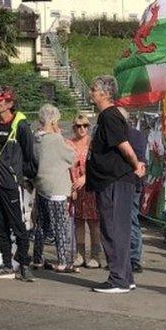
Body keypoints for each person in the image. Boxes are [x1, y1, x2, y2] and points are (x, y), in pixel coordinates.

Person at [85, 75, 145, 294]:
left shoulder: (110, 115)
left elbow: (124, 146)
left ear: (104, 93)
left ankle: (118, 278)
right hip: (111, 181)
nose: (91, 92)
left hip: (115, 182)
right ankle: (125, 277)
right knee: (117, 229)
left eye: (93, 89)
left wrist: (136, 164)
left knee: (113, 230)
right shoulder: (107, 116)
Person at [0, 85, 37, 282]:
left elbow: (30, 157)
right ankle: (7, 264)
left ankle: (24, 265)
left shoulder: (21, 125)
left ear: (10, 103)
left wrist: (25, 179)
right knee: (0, 226)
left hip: (13, 185)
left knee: (18, 225)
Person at [31, 104, 77, 272]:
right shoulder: (56, 139)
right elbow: (72, 157)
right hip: (56, 187)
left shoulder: (35, 138)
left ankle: (37, 258)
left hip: (41, 184)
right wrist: (60, 137)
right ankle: (63, 260)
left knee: (41, 224)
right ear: (53, 120)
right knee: (60, 225)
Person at [66, 114, 101, 269]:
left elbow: (99, 165)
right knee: (78, 221)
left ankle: (95, 256)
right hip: (75, 188)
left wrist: (85, 178)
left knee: (94, 222)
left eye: (85, 125)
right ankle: (80, 254)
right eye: (79, 126)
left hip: (91, 187)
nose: (82, 129)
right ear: (74, 127)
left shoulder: (94, 144)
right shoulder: (68, 144)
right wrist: (70, 185)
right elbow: (65, 166)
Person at [118, 107, 148, 274]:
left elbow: (138, 159)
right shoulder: (128, 134)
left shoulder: (134, 135)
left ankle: (134, 258)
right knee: (121, 221)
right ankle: (123, 257)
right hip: (122, 183)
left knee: (130, 219)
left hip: (131, 182)